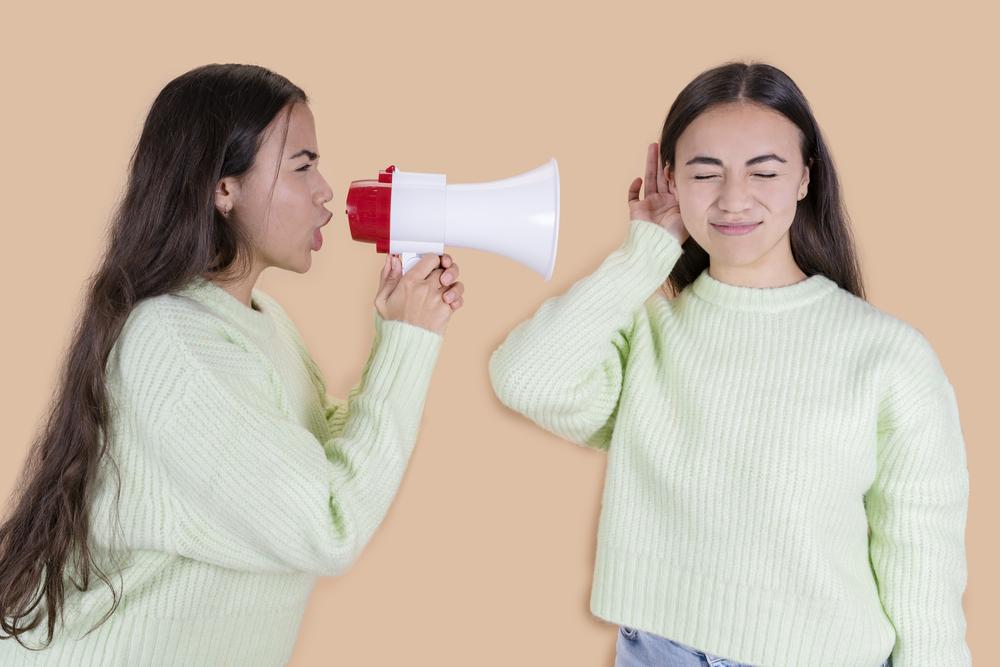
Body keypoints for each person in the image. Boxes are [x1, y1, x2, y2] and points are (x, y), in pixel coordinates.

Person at [488, 61, 969, 667]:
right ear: (669, 179)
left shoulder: (889, 356)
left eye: (764, 171)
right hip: (659, 651)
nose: (734, 198)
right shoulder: (645, 328)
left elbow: (921, 558)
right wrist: (648, 250)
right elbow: (525, 378)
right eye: (704, 172)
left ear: (804, 178)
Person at [0, 63, 465, 666]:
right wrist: (408, 341)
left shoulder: (258, 320)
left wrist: (397, 335)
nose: (325, 190)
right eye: (302, 166)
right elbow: (330, 524)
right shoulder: (173, 342)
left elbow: (326, 462)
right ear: (224, 188)